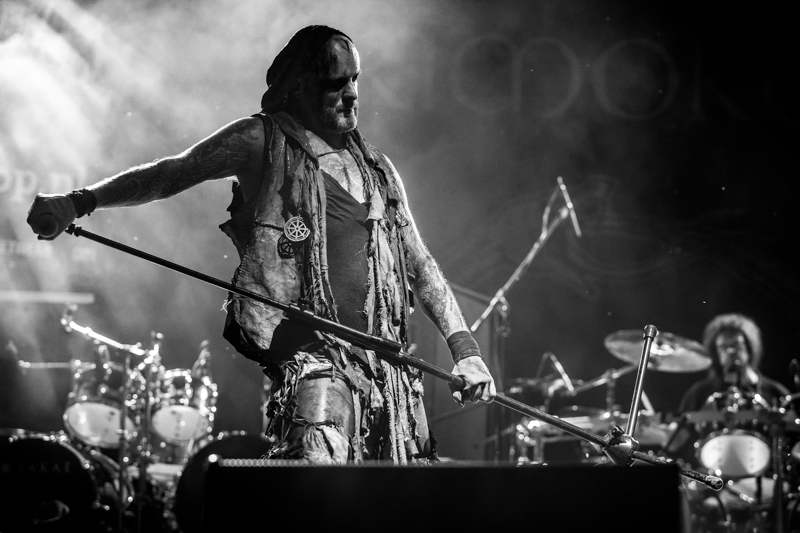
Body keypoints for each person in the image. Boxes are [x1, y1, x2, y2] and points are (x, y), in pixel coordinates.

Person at [26, 25, 496, 465]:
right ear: (300, 85)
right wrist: (79, 201)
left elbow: (419, 263)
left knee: (394, 499)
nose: (352, 93)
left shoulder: (379, 171)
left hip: (387, 373)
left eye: (355, 79)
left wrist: (466, 350)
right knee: (318, 462)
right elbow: (173, 173)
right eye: (336, 83)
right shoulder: (262, 140)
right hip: (316, 359)